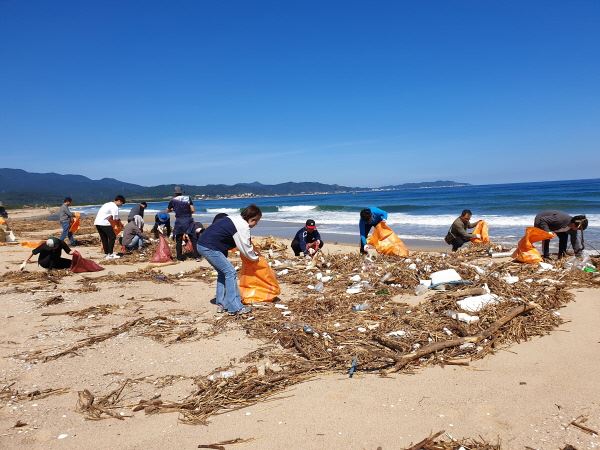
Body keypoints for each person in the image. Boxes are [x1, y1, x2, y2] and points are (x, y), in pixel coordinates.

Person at [197, 204, 262, 315]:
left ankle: (222, 304)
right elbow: (246, 247)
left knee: (223, 273)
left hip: (203, 244)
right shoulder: (243, 226)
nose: (257, 224)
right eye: (257, 221)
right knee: (230, 272)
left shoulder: (234, 219)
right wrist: (255, 259)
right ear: (252, 219)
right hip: (210, 247)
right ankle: (235, 307)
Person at [168, 186, 196, 261]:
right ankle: (196, 256)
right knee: (193, 238)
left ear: (175, 193)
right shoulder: (188, 198)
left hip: (179, 221)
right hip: (188, 220)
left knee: (179, 239)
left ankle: (179, 257)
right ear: (181, 192)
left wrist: (174, 209)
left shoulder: (172, 200)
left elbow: (168, 210)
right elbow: (193, 210)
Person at [94, 195, 125, 259]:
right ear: (119, 201)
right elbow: (115, 218)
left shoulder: (107, 204)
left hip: (97, 222)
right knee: (112, 237)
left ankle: (107, 254)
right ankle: (110, 254)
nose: (121, 205)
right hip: (104, 223)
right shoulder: (115, 207)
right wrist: (121, 225)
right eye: (121, 203)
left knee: (104, 238)